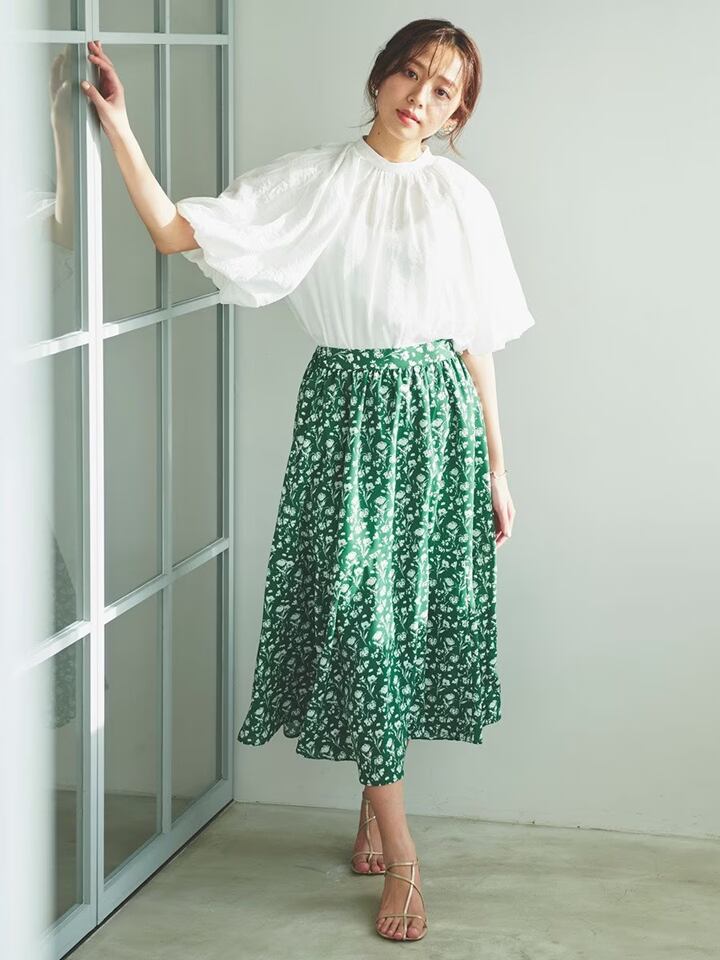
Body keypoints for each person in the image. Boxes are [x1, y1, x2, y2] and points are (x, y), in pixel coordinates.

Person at [80, 17, 535, 943]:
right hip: (346, 422)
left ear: (458, 113)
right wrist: (121, 129)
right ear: (380, 77)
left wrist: (497, 464)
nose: (420, 97)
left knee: (405, 627)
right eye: (411, 74)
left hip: (439, 421)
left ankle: (373, 808)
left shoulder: (461, 197)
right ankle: (403, 856)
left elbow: (477, 339)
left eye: (444, 90)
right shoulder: (316, 180)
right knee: (363, 625)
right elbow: (174, 232)